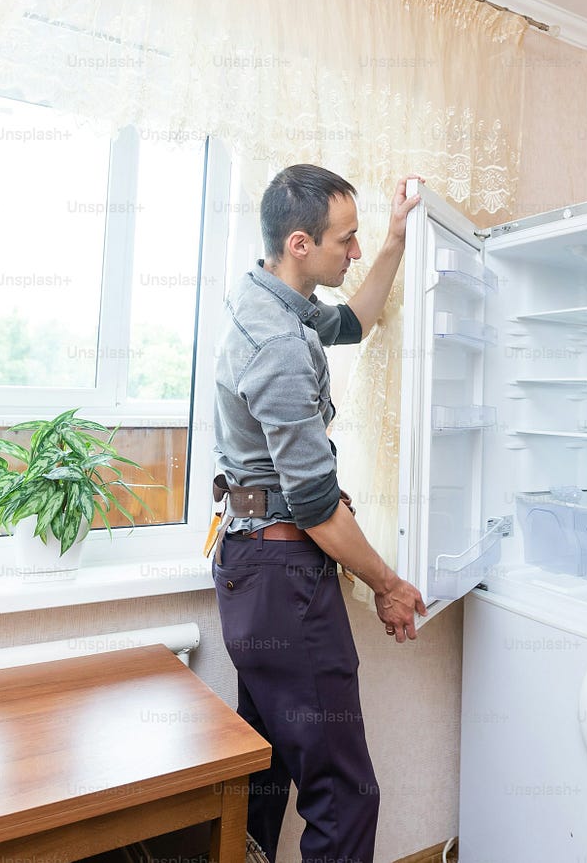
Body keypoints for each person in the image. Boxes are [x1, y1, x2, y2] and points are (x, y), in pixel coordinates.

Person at [210, 163, 428, 863]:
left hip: (255, 567)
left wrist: (394, 239)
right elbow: (313, 506)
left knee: (267, 772)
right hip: (283, 573)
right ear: (301, 243)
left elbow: (356, 321)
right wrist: (388, 585)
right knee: (343, 793)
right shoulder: (276, 345)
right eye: (347, 240)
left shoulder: (272, 299)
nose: (354, 251)